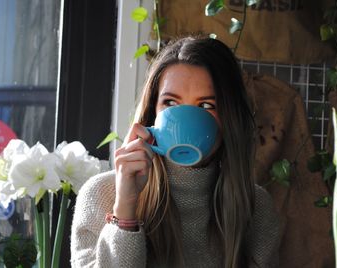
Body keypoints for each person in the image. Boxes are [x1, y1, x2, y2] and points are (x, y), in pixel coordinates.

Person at [71, 36, 280, 267]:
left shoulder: (255, 207)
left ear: (230, 119)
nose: (185, 119)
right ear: (153, 113)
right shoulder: (102, 195)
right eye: (170, 103)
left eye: (206, 106)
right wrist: (125, 208)